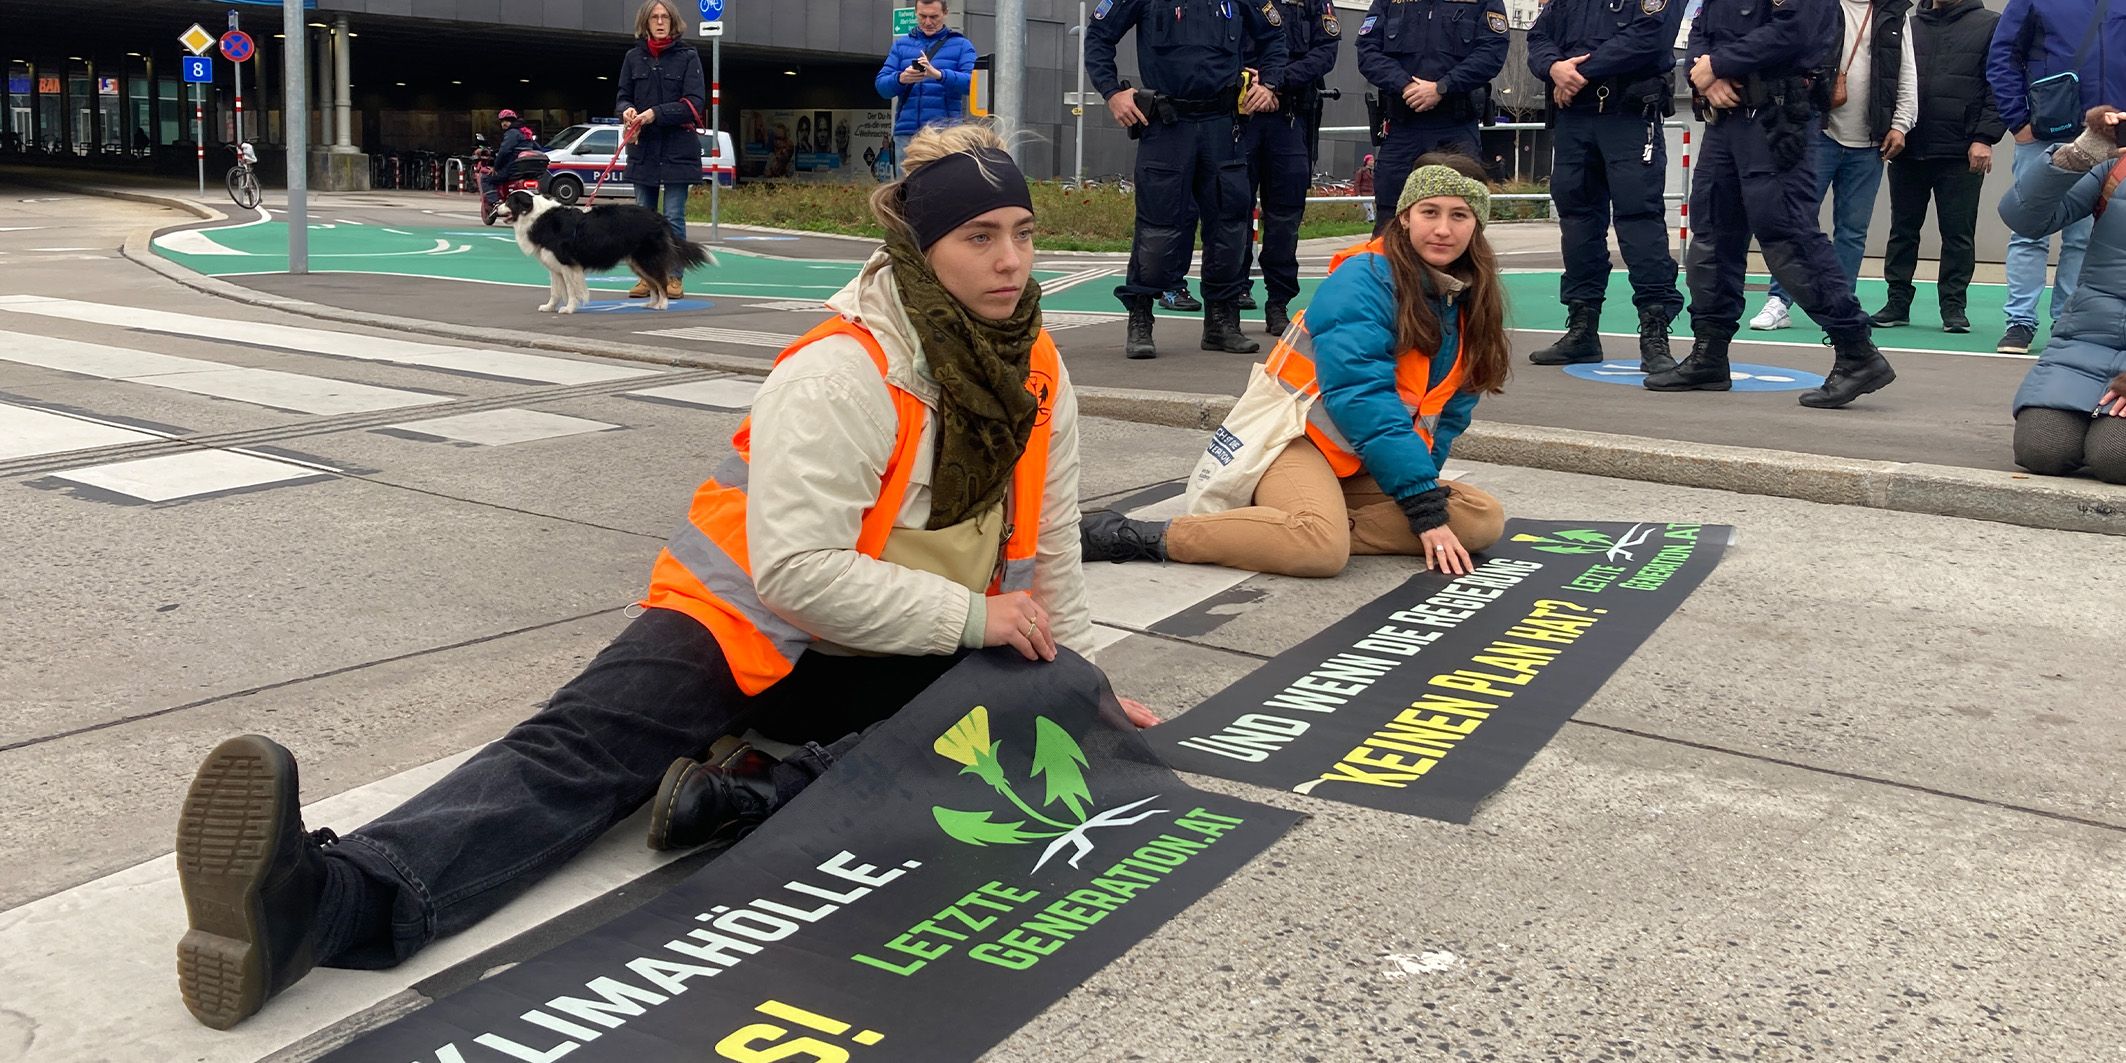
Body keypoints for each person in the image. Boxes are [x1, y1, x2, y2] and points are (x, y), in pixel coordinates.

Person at [170, 122, 1161, 1032]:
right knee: (577, 750)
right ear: (919, 247)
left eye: (1022, 233)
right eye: (979, 236)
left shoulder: (1034, 367)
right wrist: (982, 621)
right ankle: (325, 900)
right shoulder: (841, 374)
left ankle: (756, 789)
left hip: (910, 639)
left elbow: (1054, 540)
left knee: (1046, 709)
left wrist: (1077, 681)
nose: (1010, 261)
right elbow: (801, 574)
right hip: (752, 618)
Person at [1081, 156, 1508, 578]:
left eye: (1460, 216)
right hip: (1294, 440)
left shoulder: (1469, 300)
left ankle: (1293, 528)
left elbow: (1447, 416)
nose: (1442, 229)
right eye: (1429, 212)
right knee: (1321, 551)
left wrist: (1420, 493)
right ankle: (1141, 535)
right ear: (1403, 218)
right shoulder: (1364, 278)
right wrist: (1423, 511)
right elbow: (1360, 396)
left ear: (1477, 228)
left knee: (1480, 517)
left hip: (1359, 460)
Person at [1647, 0, 1897, 409]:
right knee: (1712, 235)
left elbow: (1794, 31)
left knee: (1788, 235)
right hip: (1725, 119)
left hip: (1776, 118)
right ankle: (1709, 353)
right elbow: (1700, 30)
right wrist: (1704, 75)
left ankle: (1857, 353)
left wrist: (1720, 64)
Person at [1086, 0, 1289, 360]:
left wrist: (1270, 83)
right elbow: (1099, 36)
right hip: (1166, 124)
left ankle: (1221, 324)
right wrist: (1112, 92)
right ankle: (1141, 320)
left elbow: (1275, 36)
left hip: (1222, 126)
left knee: (1229, 224)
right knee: (1158, 225)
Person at [1525, 0, 1689, 373]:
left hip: (1629, 115)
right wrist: (1553, 67)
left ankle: (1654, 332)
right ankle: (1582, 329)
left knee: (1639, 221)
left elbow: (1651, 36)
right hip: (1575, 118)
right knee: (1578, 223)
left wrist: (1576, 73)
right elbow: (1538, 37)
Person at [1748, 0, 1917, 333]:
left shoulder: (1893, 13)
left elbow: (1907, 72)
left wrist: (1901, 123)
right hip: (1818, 132)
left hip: (1870, 140)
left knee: (1852, 232)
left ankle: (1840, 304)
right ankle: (1780, 300)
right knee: (1797, 219)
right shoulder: (1821, 6)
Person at [1984, 0, 2125, 354]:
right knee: (2030, 231)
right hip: (2049, 128)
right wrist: (2017, 119)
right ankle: (2020, 322)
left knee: (2085, 237)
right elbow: (2002, 54)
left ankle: (2068, 322)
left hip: (2110, 136)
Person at [1999, 105, 2126, 482]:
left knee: (2114, 457)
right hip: (2086, 342)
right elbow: (2025, 218)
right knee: (2043, 449)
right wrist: (2084, 151)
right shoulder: (2116, 169)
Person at [1872, 0, 2005, 334]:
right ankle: (1897, 303)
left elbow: (1999, 84)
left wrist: (1984, 137)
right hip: (1909, 146)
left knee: (1958, 234)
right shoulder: (1907, 25)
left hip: (1961, 150)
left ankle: (1953, 308)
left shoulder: (1990, 25)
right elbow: (1888, 80)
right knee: (1902, 231)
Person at [1353, 0, 1510, 233]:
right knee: (1391, 217)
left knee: (1460, 212)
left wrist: (1441, 87)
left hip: (1456, 127)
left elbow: (1492, 53)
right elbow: (1367, 51)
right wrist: (1404, 85)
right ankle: (1391, 271)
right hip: (1403, 126)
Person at [1240, 0, 1344, 338]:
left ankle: (1277, 302)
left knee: (1285, 216)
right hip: (1239, 114)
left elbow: (1326, 51)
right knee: (1230, 211)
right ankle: (1227, 301)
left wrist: (1275, 82)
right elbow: (1215, 44)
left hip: (1290, 115)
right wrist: (1251, 85)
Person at [616, 0, 706, 301]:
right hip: (644, 151)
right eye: (654, 16)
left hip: (679, 148)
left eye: (665, 16)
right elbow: (622, 95)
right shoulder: (633, 57)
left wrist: (656, 113)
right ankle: (646, 277)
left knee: (674, 215)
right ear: (646, 22)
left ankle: (674, 276)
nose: (659, 21)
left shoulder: (688, 56)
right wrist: (627, 110)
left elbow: (694, 103)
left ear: (673, 21)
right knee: (642, 218)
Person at [875, 0, 978, 172]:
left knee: (944, 190)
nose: (928, 22)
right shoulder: (901, 46)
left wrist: (939, 75)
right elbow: (881, 87)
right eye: (922, 16)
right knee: (905, 193)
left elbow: (973, 85)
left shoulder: (962, 45)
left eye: (934, 17)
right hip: (907, 134)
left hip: (945, 135)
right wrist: (901, 78)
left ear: (945, 13)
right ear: (915, 13)